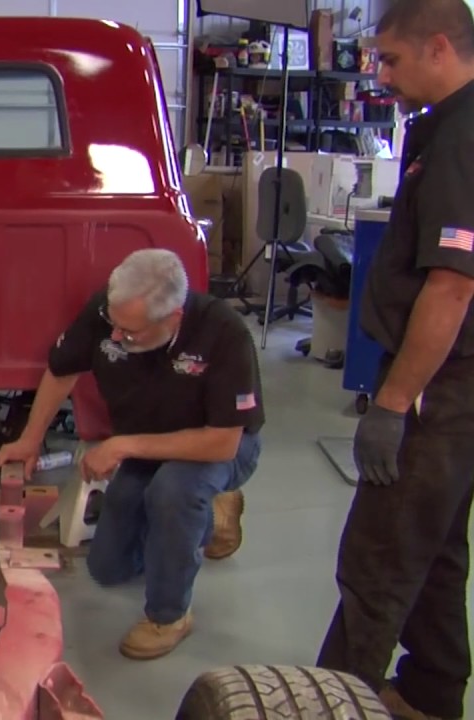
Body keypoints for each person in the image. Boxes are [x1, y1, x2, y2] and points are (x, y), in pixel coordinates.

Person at [315, 2, 474, 718]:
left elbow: (452, 283)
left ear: (439, 47)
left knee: (378, 561)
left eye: (391, 59)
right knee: (435, 549)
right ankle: (431, 692)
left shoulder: (461, 138)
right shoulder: (445, 127)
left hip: (439, 388)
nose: (380, 75)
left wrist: (393, 403)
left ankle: (327, 704)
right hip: (452, 386)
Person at [0, 248, 262, 660]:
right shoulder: (109, 311)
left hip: (216, 448)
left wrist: (123, 445)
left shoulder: (224, 333)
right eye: (114, 325)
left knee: (173, 492)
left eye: (130, 332)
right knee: (108, 569)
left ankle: (170, 616)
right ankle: (208, 516)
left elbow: (223, 442)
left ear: (172, 318)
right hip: (148, 441)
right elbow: (63, 369)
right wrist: (30, 440)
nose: (116, 337)